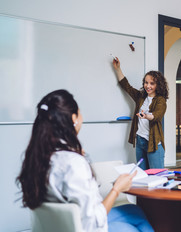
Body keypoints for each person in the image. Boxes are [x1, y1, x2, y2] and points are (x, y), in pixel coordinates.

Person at [16, 89, 154, 232]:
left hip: (59, 227)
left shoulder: (40, 156)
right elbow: (92, 222)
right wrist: (117, 189)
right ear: (74, 119)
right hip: (86, 227)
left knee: (134, 211)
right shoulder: (73, 162)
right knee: (130, 228)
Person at [112, 58, 169, 170]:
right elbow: (126, 86)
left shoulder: (160, 100)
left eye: (152, 83)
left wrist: (146, 116)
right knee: (142, 175)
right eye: (146, 82)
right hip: (140, 141)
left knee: (157, 176)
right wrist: (118, 69)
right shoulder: (141, 97)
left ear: (158, 85)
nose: (148, 86)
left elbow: (157, 115)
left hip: (153, 143)